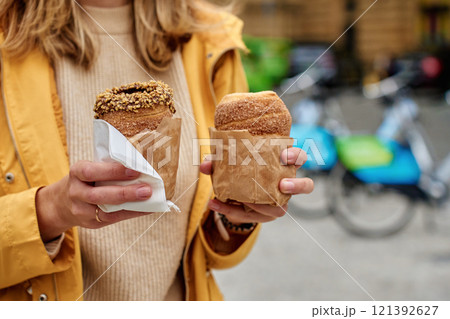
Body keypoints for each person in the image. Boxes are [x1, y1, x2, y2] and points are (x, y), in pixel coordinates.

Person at [0, 0, 313, 301]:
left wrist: (239, 215)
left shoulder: (210, 38)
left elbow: (211, 254)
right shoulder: (8, 37)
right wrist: (49, 211)